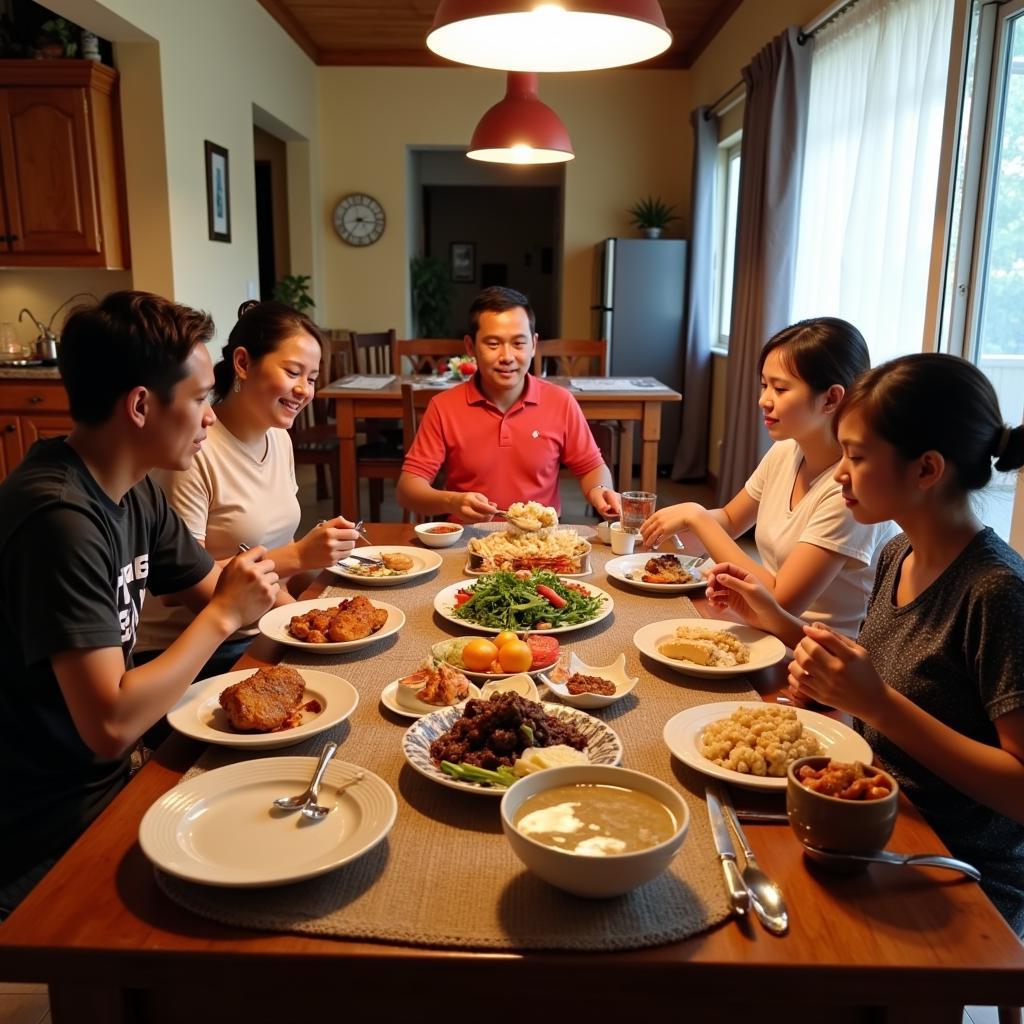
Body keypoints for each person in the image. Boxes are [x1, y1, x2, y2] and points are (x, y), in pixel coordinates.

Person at [705, 353, 1024, 935]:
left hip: (952, 860)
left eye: (855, 456)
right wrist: (776, 618)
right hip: (869, 805)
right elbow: (877, 680)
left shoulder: (995, 591)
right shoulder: (898, 554)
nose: (841, 474)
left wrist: (875, 704)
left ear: (926, 469)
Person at [0, 291, 280, 917]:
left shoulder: (134, 491)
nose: (212, 416)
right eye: (203, 397)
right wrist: (222, 617)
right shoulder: (60, 519)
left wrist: (263, 602)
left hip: (112, 775)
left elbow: (224, 591)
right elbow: (110, 726)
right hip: (42, 821)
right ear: (141, 405)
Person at [136, 300, 358, 677]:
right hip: (190, 654)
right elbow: (182, 585)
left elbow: (274, 572)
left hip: (259, 630)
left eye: (313, 377)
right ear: (243, 363)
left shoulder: (279, 438)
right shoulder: (192, 452)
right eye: (293, 372)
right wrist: (299, 556)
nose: (304, 390)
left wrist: (303, 616)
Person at [641, 317, 895, 636]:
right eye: (764, 385)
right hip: (762, 625)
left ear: (831, 398)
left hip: (815, 653)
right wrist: (673, 523)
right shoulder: (786, 451)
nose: (764, 400)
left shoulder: (850, 490)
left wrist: (696, 516)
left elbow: (780, 600)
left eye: (781, 388)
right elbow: (732, 519)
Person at [397, 286, 621, 523]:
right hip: (468, 540)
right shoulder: (443, 407)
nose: (507, 357)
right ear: (470, 347)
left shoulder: (561, 402)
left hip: (540, 541)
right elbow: (408, 488)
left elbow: (591, 468)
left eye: (518, 343)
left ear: (534, 344)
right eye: (493, 344)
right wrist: (452, 501)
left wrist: (599, 490)